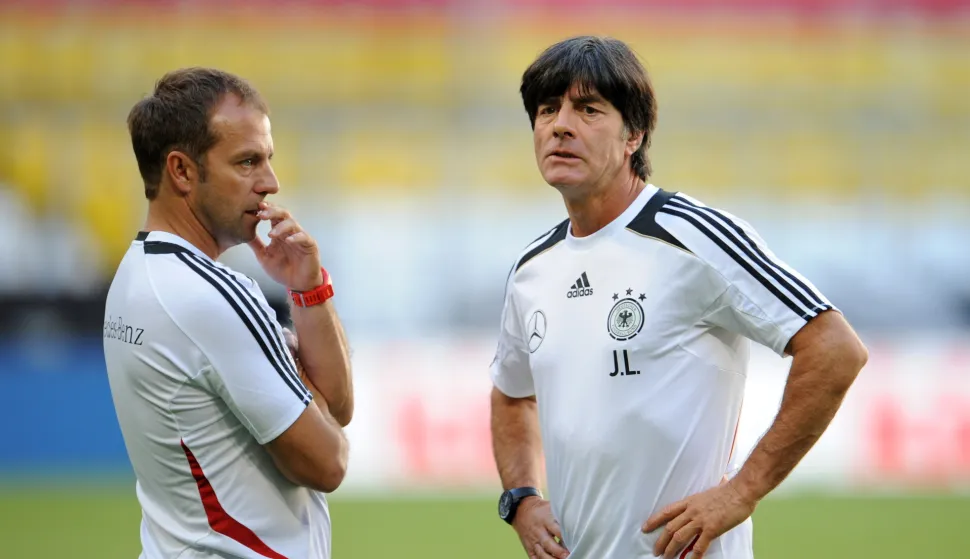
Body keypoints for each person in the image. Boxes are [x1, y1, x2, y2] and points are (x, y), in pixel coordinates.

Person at [489, 36, 868, 559]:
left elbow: (835, 348)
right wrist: (522, 498)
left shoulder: (691, 236)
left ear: (633, 136)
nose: (560, 125)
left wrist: (741, 492)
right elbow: (511, 393)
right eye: (547, 110)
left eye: (588, 109)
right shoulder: (532, 269)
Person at [103, 67, 353, 559]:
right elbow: (330, 462)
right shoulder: (211, 295)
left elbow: (338, 407)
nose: (271, 183)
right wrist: (302, 379)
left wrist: (308, 290)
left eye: (268, 160)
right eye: (247, 162)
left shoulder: (134, 274)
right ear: (182, 170)